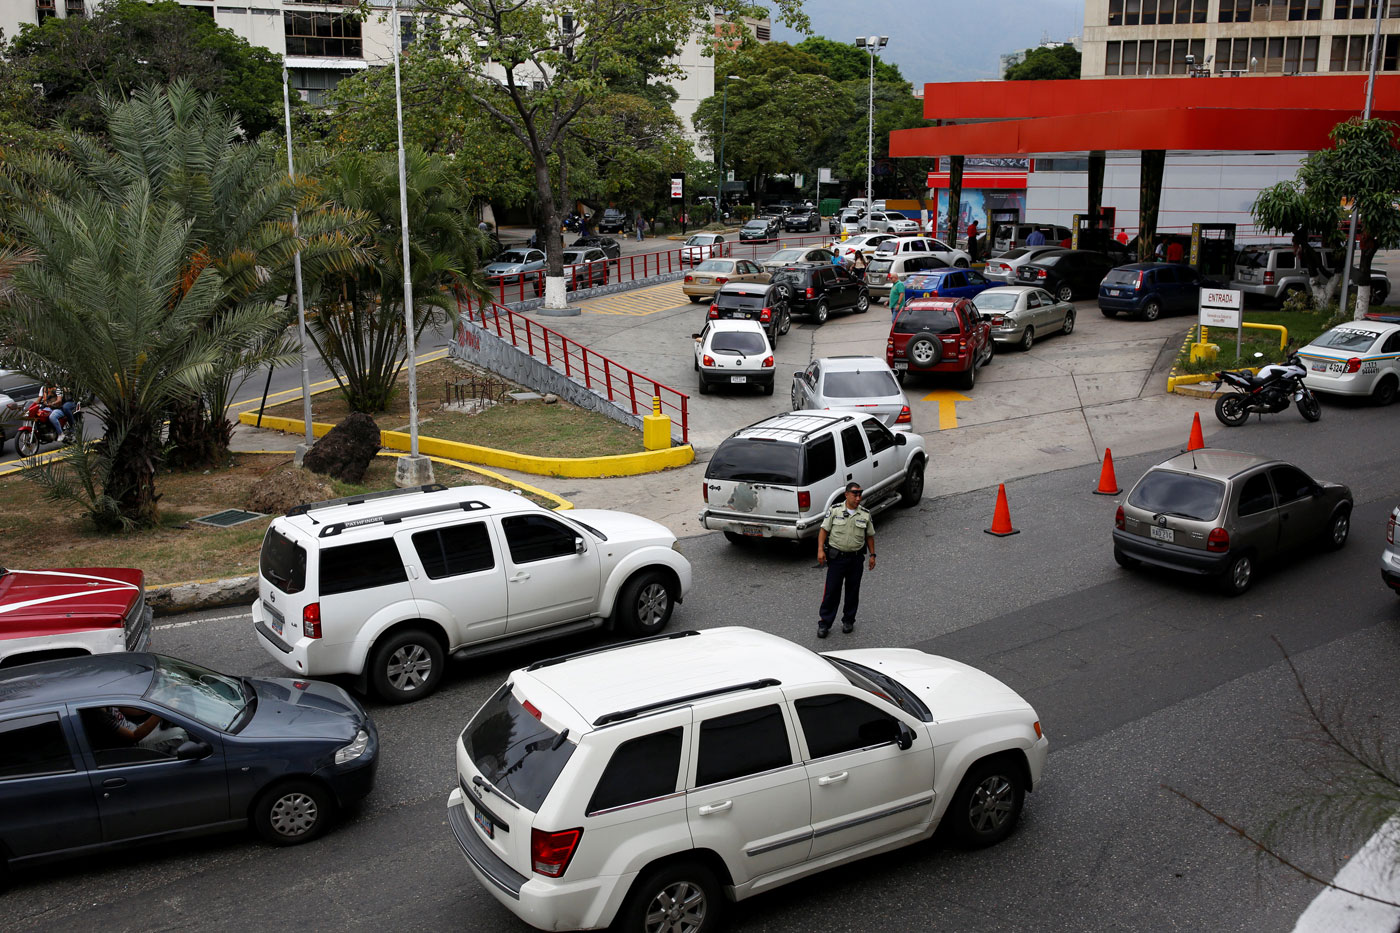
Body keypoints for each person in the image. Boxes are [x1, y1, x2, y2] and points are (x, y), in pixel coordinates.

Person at [815, 483, 876, 637]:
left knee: (852, 591)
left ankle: (848, 620)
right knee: (831, 591)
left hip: (855, 559)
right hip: (837, 559)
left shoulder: (865, 514)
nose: (858, 498)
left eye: (860, 495)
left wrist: (873, 555)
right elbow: (824, 530)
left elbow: (869, 535)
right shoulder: (835, 511)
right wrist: (820, 549)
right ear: (846, 495)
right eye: (855, 495)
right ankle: (824, 623)